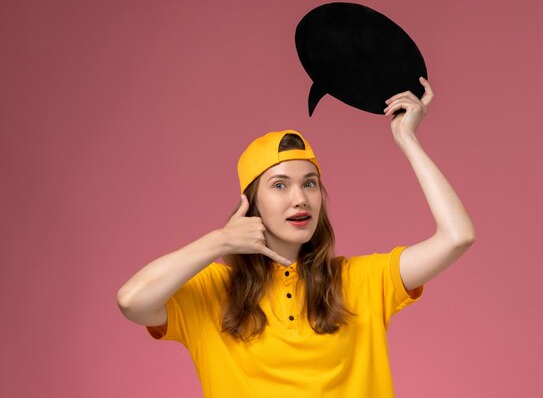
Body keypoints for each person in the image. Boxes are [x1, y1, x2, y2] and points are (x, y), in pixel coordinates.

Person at [117, 77, 476, 398]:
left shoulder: (360, 281)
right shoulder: (213, 292)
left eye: (310, 183)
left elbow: (457, 236)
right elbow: (132, 300)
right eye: (279, 185)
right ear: (251, 201)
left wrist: (407, 139)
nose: (300, 198)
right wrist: (221, 241)